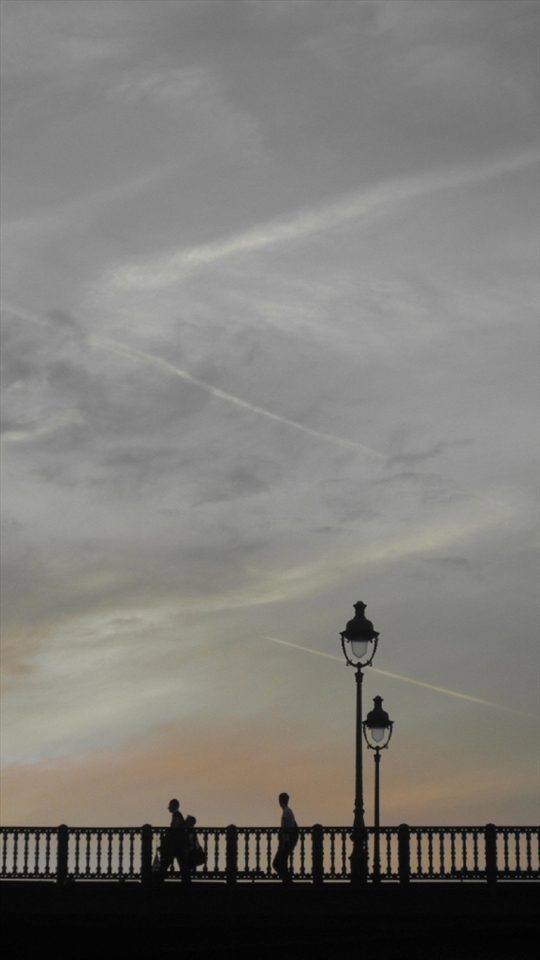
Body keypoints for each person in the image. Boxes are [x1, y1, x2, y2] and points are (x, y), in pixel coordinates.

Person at [159, 799, 189, 882]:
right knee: (181, 862)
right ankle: (186, 880)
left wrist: (168, 835)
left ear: (174, 806)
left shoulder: (176, 815)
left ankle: (159, 879)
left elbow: (175, 828)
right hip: (178, 844)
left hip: (175, 844)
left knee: (168, 861)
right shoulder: (178, 815)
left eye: (170, 805)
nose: (168, 808)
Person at [272, 792, 299, 884]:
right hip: (288, 841)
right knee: (283, 863)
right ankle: (287, 881)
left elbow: (284, 830)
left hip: (286, 842)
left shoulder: (285, 814)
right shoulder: (289, 811)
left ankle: (287, 881)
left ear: (280, 801)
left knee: (276, 863)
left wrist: (282, 844)